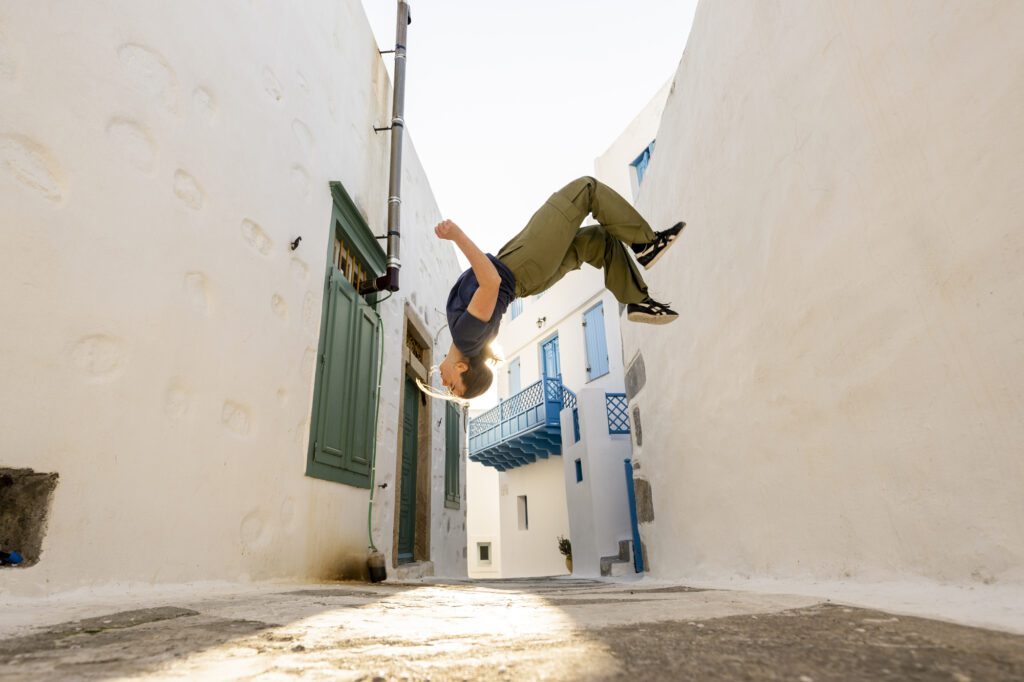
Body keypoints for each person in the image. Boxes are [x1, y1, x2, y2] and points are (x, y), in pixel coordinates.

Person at [436, 176, 684, 400]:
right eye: (453, 387)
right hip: (525, 265)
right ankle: (646, 244)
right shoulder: (466, 338)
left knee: (599, 241)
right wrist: (457, 235)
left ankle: (637, 298)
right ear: (462, 368)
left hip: (528, 275)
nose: (445, 384)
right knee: (585, 190)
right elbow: (491, 281)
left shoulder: (470, 340)